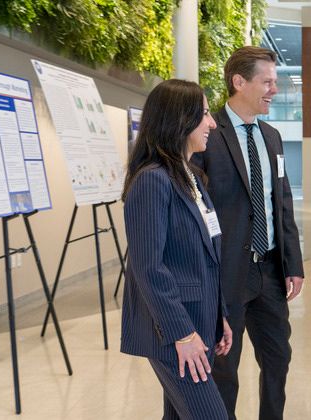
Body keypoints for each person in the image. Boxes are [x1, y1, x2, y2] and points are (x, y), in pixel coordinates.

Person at [191, 46, 304, 420]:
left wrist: (293, 263)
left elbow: (281, 202)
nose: (274, 89)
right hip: (227, 274)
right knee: (225, 367)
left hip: (269, 271)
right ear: (238, 82)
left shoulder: (271, 136)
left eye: (275, 81)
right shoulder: (207, 135)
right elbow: (195, 208)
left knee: (278, 358)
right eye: (267, 82)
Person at [120, 79, 232, 419]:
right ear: (178, 120)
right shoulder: (152, 180)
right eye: (204, 115)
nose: (212, 123)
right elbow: (148, 268)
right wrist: (183, 334)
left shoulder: (190, 176)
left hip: (199, 320)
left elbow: (206, 257)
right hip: (174, 330)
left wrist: (219, 315)